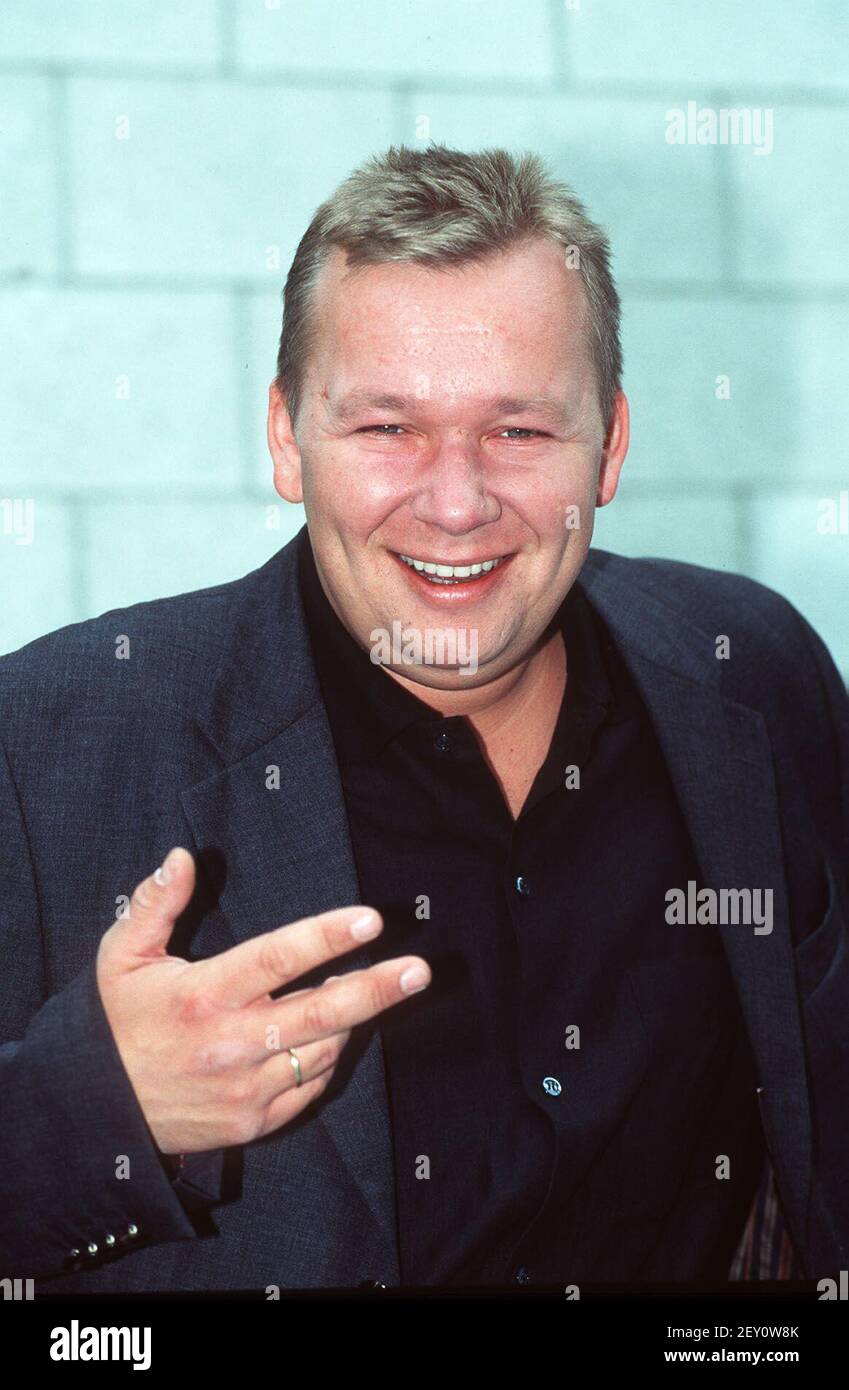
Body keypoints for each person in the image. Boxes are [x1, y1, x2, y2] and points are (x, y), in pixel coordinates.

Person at [1, 144, 846, 1292]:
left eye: (521, 430)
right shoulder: (45, 743)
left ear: (613, 444)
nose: (456, 502)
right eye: (388, 428)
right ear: (288, 436)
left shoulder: (754, 673)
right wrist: (98, 1109)